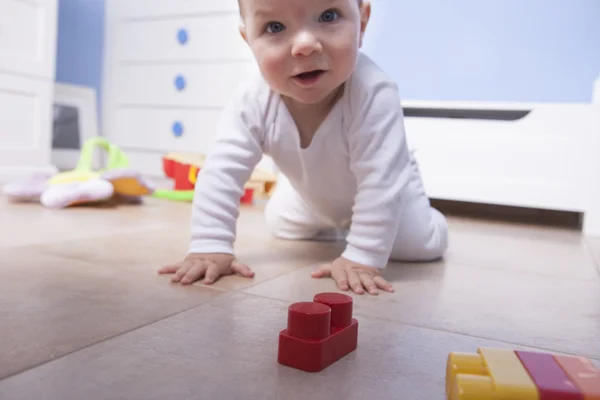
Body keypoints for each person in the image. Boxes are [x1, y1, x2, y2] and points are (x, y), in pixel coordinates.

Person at [158, 0, 448, 295]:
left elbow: (380, 181)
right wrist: (210, 244)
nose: (305, 45)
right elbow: (221, 172)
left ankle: (425, 213)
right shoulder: (251, 100)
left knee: (416, 245)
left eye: (328, 16)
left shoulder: (374, 92)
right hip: (313, 196)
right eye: (275, 27)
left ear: (362, 22)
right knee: (280, 222)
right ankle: (329, 215)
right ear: (250, 41)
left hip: (391, 191)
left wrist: (361, 257)